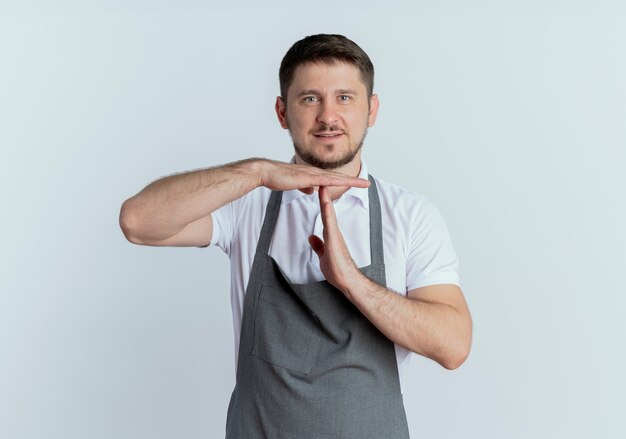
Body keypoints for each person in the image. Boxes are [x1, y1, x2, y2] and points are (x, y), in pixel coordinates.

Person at [119, 34, 472, 438]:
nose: (327, 116)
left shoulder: (410, 216)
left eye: (344, 98)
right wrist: (255, 172)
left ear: (371, 109)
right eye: (309, 99)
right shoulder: (245, 204)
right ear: (282, 112)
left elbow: (453, 346)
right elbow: (138, 221)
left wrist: (352, 281)